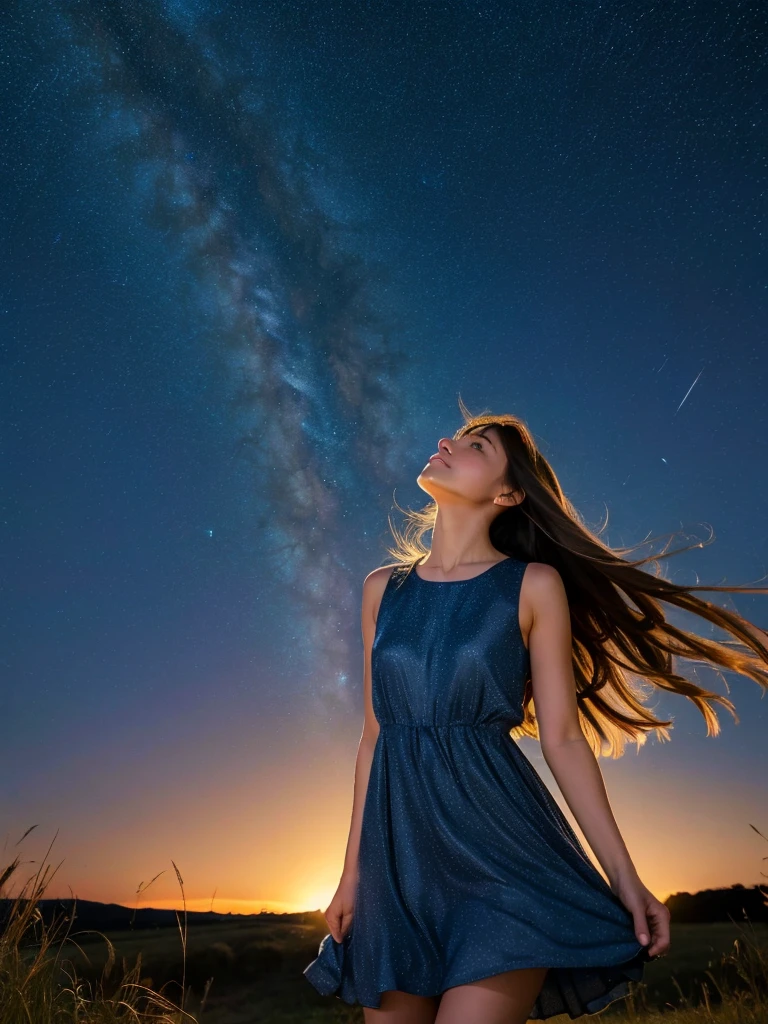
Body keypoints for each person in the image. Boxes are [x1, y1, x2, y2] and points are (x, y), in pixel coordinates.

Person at [304, 408, 768, 1023]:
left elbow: (565, 742)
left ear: (509, 492)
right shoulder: (380, 589)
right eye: (454, 437)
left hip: (502, 865)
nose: (446, 442)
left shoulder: (533, 585)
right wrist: (351, 876)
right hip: (398, 872)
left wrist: (626, 880)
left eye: (476, 446)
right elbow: (373, 740)